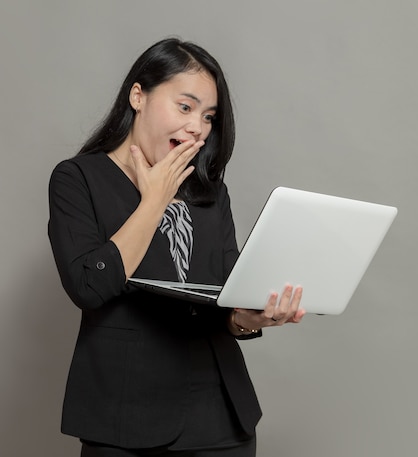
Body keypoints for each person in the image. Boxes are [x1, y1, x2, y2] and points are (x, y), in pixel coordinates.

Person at [47, 37, 305, 457]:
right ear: (138, 96)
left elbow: (225, 295)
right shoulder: (78, 179)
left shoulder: (210, 193)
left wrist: (250, 317)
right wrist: (153, 202)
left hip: (221, 416)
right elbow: (88, 287)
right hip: (125, 418)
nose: (197, 128)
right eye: (185, 107)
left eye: (208, 116)